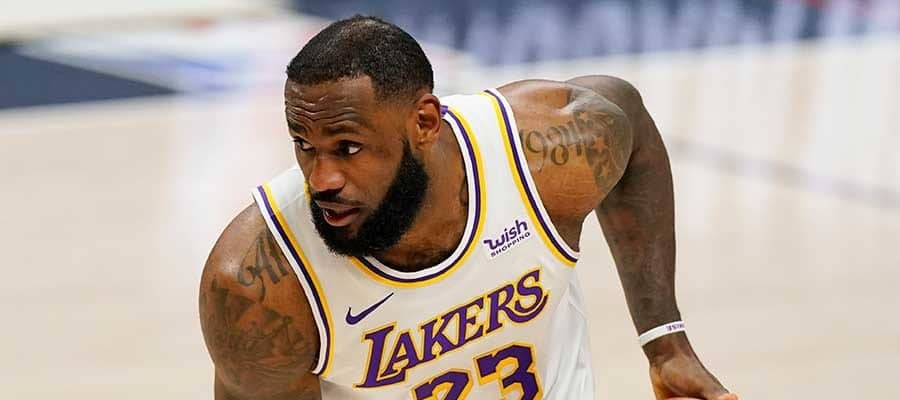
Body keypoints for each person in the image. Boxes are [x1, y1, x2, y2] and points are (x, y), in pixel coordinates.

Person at [199, 15, 737, 400]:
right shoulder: (260, 286)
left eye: (348, 148)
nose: (322, 179)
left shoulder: (537, 156)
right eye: (304, 145)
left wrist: (665, 342)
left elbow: (627, 118)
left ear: (425, 123)